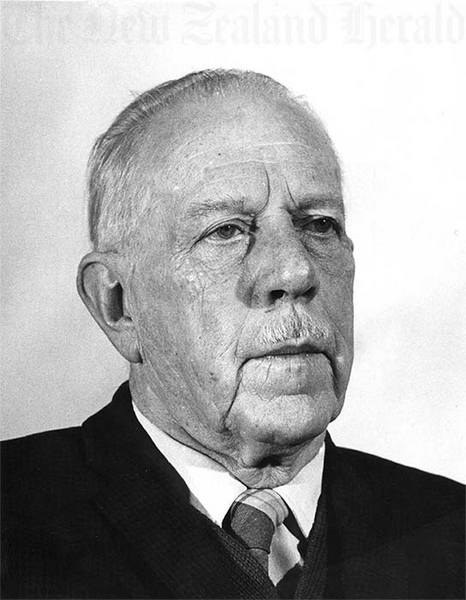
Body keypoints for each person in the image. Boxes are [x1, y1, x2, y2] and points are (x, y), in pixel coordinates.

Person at [1, 69, 464, 600]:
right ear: (119, 305)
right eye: (226, 231)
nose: (295, 271)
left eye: (319, 224)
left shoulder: (453, 532)